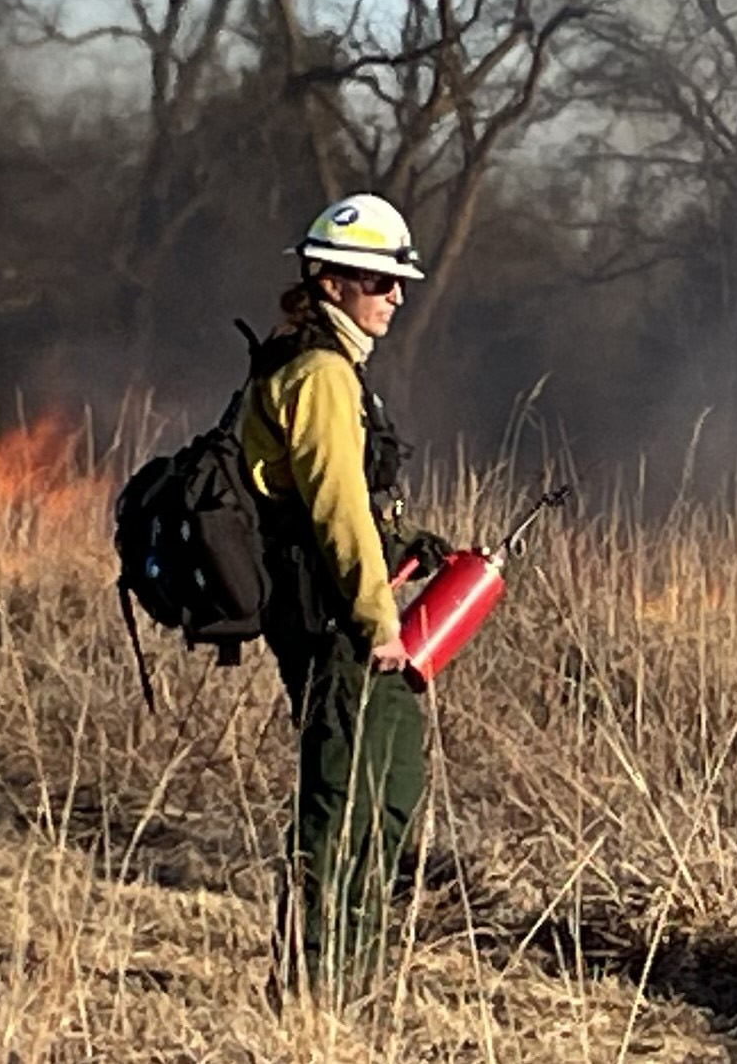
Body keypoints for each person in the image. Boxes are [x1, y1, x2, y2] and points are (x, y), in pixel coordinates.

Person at [241, 193, 431, 1002]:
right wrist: (378, 619)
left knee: (388, 791)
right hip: (337, 628)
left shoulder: (334, 368)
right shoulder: (320, 375)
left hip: (351, 621)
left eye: (398, 283)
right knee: (342, 803)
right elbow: (337, 510)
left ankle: (356, 972)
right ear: (329, 282)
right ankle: (316, 988)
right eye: (378, 281)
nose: (394, 296)